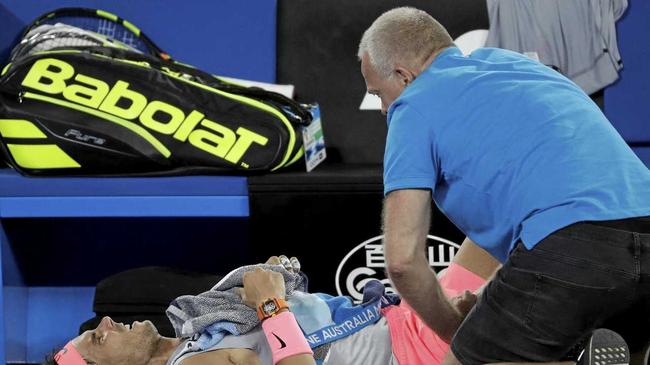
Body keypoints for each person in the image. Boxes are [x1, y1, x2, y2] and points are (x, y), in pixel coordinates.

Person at [357, 6, 650, 365]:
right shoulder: (521, 68)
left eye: (377, 94)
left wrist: (457, 330)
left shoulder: (412, 105)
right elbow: (560, 204)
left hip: (575, 252)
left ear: (403, 76)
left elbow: (402, 261)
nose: (384, 109)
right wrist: (489, 298)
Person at [43, 241, 500, 365]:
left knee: (505, 220)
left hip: (400, 322)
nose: (104, 322)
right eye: (94, 340)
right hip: (411, 354)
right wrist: (269, 306)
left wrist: (279, 289)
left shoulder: (194, 336)